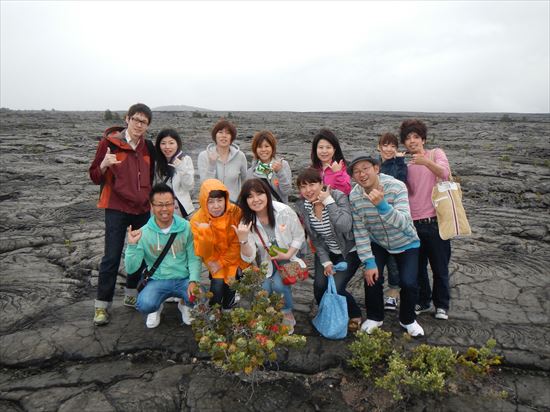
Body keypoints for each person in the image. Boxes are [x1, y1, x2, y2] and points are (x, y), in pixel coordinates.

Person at [89, 103, 156, 326]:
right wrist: (105, 165)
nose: (139, 124)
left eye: (144, 122)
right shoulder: (109, 144)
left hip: (142, 209)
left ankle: (131, 293)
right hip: (116, 208)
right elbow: (94, 176)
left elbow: (152, 175)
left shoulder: (148, 146)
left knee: (141, 253)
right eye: (136, 119)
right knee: (112, 256)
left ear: (147, 126)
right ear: (127, 119)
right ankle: (102, 306)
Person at [348, 153, 424, 337]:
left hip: (406, 241)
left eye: (365, 168)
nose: (361, 174)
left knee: (408, 282)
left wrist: (383, 206)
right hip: (378, 242)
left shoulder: (396, 187)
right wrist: (369, 261)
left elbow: (406, 223)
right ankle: (375, 317)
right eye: (356, 172)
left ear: (376, 168)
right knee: (372, 277)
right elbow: (360, 231)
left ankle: (408, 319)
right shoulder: (355, 196)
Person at [295, 168, 363, 332]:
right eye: (303, 187)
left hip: (349, 251)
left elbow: (345, 225)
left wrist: (328, 202)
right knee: (319, 286)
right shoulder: (303, 206)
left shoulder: (338, 197)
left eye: (312, 184)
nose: (308, 190)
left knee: (338, 287)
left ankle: (355, 313)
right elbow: (316, 239)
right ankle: (328, 314)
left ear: (321, 184)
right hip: (326, 251)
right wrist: (325, 262)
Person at [235, 178, 306, 334]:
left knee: (279, 285)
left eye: (259, 194)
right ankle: (267, 312)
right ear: (245, 200)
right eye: (250, 196)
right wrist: (243, 240)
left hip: (289, 257)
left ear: (267, 193)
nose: (256, 200)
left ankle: (286, 311)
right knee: (264, 288)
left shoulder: (284, 211)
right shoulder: (247, 222)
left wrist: (287, 253)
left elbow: (299, 236)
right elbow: (249, 256)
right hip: (265, 262)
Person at [124, 184, 201, 328]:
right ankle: (156, 307)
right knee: (144, 304)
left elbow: (194, 257)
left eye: (168, 204)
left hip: (182, 278)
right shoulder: (143, 232)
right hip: (157, 280)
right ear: (152, 206)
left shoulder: (186, 227)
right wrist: (132, 246)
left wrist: (194, 280)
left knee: (200, 298)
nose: (164, 209)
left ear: (174, 205)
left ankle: (184, 304)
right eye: (159, 205)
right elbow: (131, 268)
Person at [400, 119, 451, 320]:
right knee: (418, 268)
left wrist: (426, 162)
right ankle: (423, 300)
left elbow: (445, 174)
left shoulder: (435, 154)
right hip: (412, 224)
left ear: (423, 139)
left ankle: (442, 305)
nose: (412, 141)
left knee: (440, 267)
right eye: (407, 138)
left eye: (415, 137)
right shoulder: (404, 161)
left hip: (435, 221)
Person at [190, 179, 247, 310]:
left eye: (219, 200)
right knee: (217, 285)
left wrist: (222, 262)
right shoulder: (197, 220)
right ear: (204, 202)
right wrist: (205, 233)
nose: (216, 206)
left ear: (225, 199)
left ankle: (228, 307)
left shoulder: (235, 212)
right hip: (212, 259)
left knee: (232, 283)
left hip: (233, 257)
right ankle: (214, 309)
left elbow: (237, 242)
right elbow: (202, 252)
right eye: (210, 201)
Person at [377, 132, 408, 312]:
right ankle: (377, 292)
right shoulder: (374, 163)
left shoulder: (398, 164)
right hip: (375, 218)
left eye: (393, 146)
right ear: (379, 147)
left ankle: (393, 293)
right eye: (385, 145)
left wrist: (398, 161)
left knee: (393, 261)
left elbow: (401, 183)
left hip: (393, 217)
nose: (389, 149)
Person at [197, 119, 247, 202]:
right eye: (220, 132)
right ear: (215, 135)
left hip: (234, 207)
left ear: (232, 137)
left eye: (228, 133)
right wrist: (212, 165)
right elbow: (204, 184)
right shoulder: (204, 156)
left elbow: (244, 180)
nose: (224, 136)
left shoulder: (240, 156)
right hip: (212, 205)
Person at [154, 128, 195, 219]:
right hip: (163, 210)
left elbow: (189, 186)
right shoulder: (156, 162)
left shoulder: (185, 159)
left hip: (183, 209)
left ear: (177, 144)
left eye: (171, 143)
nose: (167, 147)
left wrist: (181, 168)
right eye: (163, 143)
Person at [246, 130, 292, 203]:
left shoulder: (283, 165)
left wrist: (280, 172)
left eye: (267, 146)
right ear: (255, 149)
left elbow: (286, 191)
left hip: (279, 211)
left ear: (272, 148)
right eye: (260, 147)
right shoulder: (250, 172)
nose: (263, 150)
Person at [310, 128, 352, 195]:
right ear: (315, 150)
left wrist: (337, 173)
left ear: (334, 150)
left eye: (328, 147)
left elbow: (346, 191)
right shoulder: (312, 170)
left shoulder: (342, 168)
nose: (324, 151)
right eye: (321, 147)